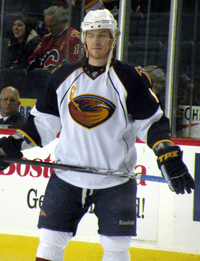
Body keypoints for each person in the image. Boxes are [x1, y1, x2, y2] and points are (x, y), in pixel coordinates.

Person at [0, 9, 195, 261]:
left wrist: (168, 155)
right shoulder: (62, 75)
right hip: (67, 176)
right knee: (49, 242)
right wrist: (12, 145)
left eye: (103, 35)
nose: (97, 41)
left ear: (114, 38)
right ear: (83, 38)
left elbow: (152, 123)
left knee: (116, 247)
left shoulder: (130, 78)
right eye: (91, 35)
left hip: (115, 180)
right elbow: (42, 123)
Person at [28, 6, 83, 71]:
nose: (49, 30)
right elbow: (32, 59)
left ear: (63, 22)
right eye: (47, 26)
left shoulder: (75, 38)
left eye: (52, 26)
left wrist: (52, 71)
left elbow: (75, 65)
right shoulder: (46, 38)